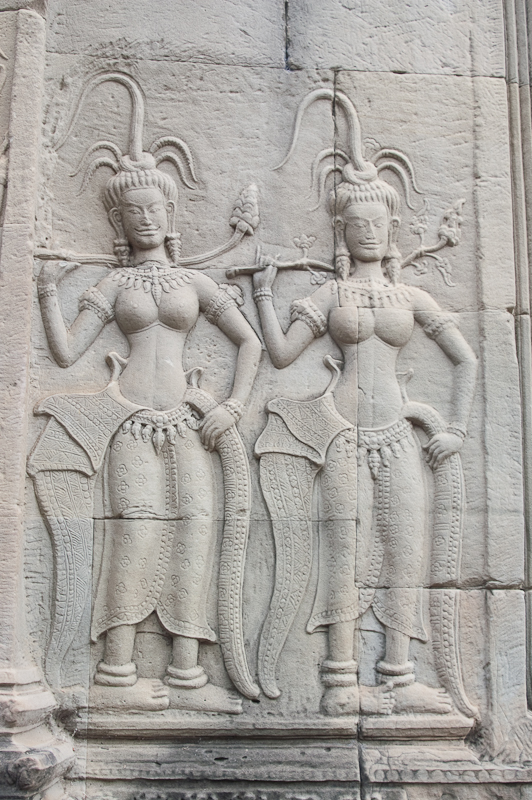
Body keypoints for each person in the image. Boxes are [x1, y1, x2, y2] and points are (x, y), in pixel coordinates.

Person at [31, 75, 261, 714]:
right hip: (128, 419)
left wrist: (233, 406)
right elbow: (67, 352)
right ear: (119, 221)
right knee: (133, 535)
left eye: (155, 208)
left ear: (170, 212)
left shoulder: (194, 282)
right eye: (134, 212)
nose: (147, 218)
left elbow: (248, 343)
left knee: (195, 531)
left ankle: (188, 673)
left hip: (189, 420)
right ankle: (117, 672)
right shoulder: (114, 284)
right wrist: (48, 290)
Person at [252, 90, 477, 716]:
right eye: (358, 225)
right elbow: (281, 355)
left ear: (392, 228)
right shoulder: (331, 296)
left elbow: (465, 359)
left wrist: (455, 429)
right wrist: (265, 295)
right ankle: (340, 679)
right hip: (342, 432)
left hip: (399, 433)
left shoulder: (410, 298)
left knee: (405, 549)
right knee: (344, 549)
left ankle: (399, 674)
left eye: (378, 223)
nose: (369, 232)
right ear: (342, 231)